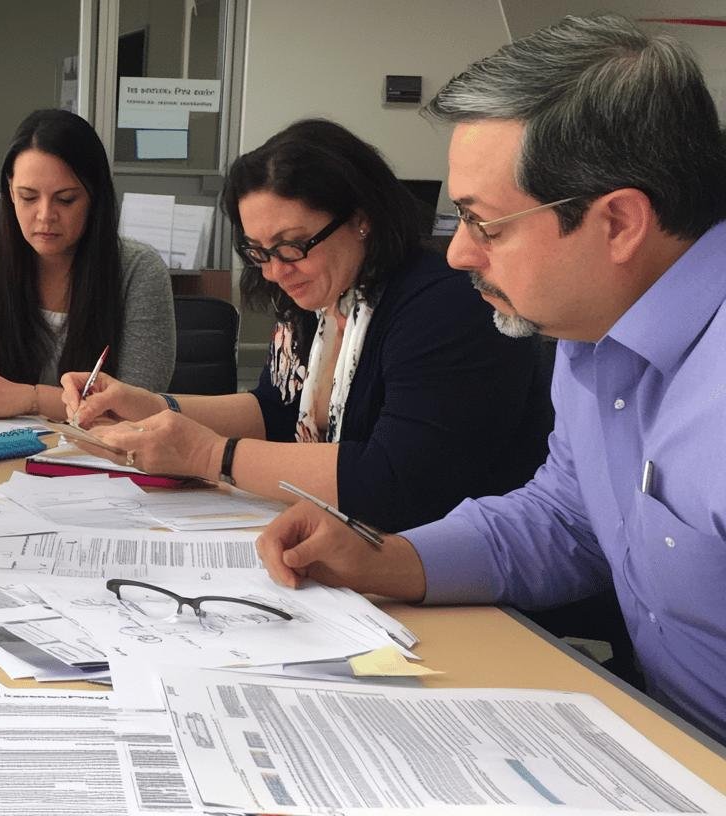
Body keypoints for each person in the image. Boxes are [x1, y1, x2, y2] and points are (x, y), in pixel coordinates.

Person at [257, 15, 726, 745]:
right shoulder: (588, 330)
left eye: (486, 225)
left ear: (620, 223)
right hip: (653, 736)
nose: (457, 255)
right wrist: (388, 560)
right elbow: (570, 519)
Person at [62, 119, 553, 532]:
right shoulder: (317, 294)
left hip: (453, 572)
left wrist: (210, 456)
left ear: (361, 218)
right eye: (259, 252)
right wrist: (150, 406)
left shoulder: (444, 304)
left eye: (292, 245)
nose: (275, 271)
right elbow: (274, 410)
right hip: (351, 543)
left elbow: (396, 482)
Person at [0, 109, 175, 420]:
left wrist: (30, 399)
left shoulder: (139, 270)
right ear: (9, 192)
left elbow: (139, 400)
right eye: (28, 197)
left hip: (98, 453)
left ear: (94, 196)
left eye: (66, 199)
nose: (45, 215)